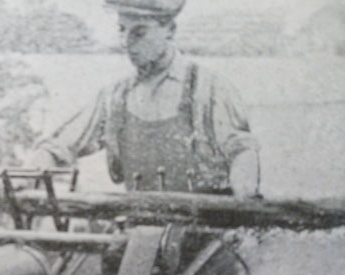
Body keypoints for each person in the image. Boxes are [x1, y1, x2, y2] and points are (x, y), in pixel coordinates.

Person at [27, 0, 261, 199]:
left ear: (170, 30)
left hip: (205, 229)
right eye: (122, 30)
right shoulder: (115, 96)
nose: (126, 43)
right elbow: (57, 146)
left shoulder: (208, 88)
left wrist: (244, 197)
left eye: (139, 33)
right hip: (138, 227)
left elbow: (242, 153)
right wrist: (27, 176)